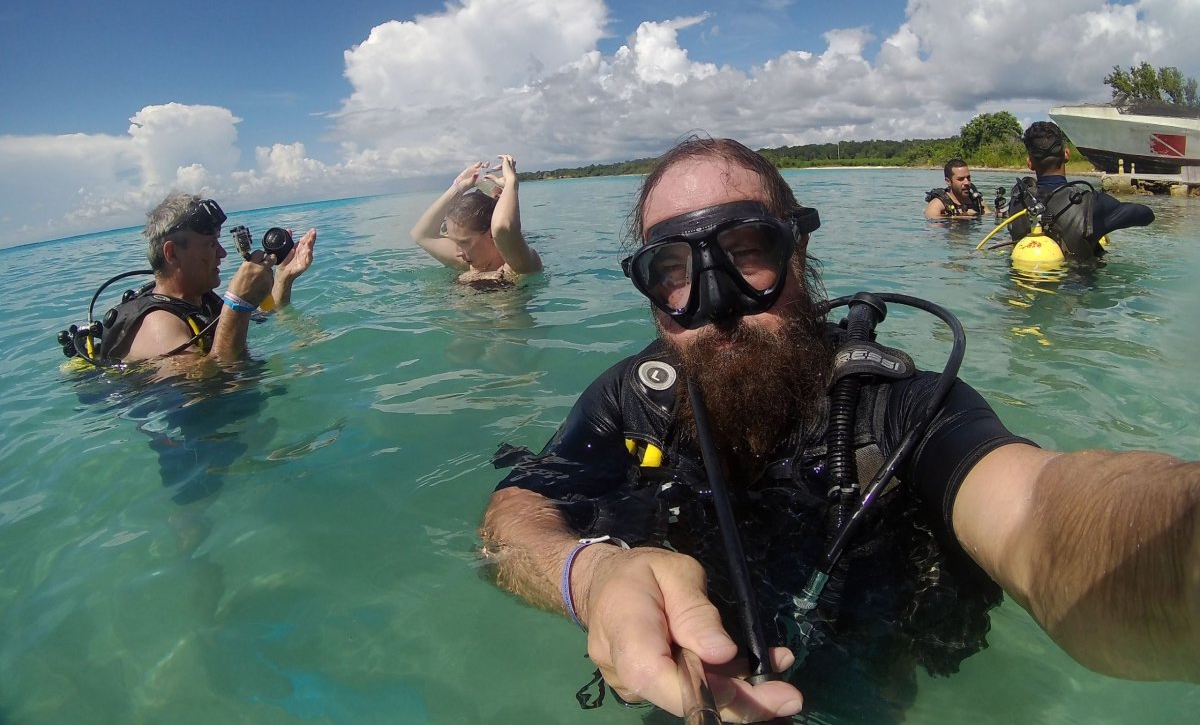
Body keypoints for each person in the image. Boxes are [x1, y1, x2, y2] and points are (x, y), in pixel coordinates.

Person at [479, 137, 1199, 723]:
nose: (716, 301)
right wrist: (589, 576)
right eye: (673, 268)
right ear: (647, 288)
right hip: (694, 675)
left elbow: (1037, 512)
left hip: (867, 666)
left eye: (747, 250)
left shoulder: (901, 408)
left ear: (799, 253)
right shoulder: (635, 397)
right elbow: (518, 508)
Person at [103, 193, 317, 364]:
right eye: (210, 243)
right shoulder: (158, 324)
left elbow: (266, 316)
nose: (222, 253)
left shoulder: (201, 301)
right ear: (172, 253)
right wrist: (237, 303)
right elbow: (206, 386)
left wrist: (283, 277)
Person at [1006, 121, 1154, 258]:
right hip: (1078, 277)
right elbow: (1147, 215)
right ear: (1067, 154)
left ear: (1029, 163)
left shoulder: (1017, 201)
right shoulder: (1092, 203)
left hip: (1022, 276)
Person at [410, 154, 542, 283]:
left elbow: (502, 228)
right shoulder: (468, 263)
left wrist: (511, 183)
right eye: (456, 242)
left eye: (464, 242)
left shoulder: (520, 265)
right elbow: (421, 235)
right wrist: (458, 187)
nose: (458, 252)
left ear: (491, 234)